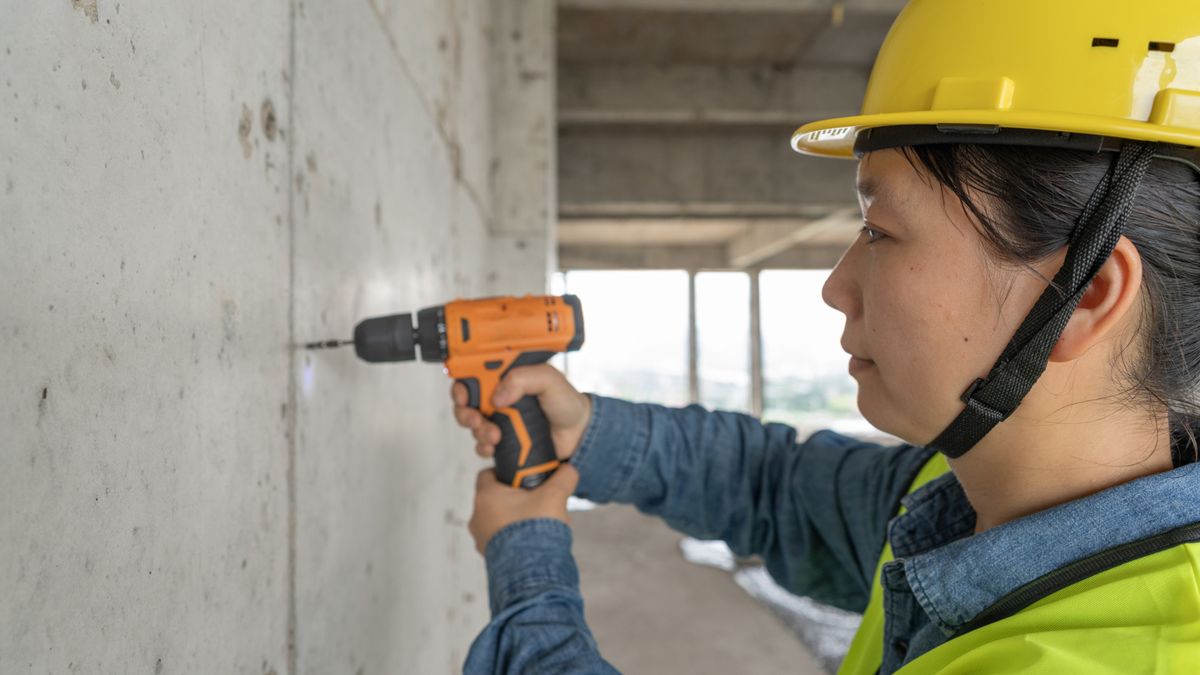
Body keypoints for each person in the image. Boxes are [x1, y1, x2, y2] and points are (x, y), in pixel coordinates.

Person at [451, 1, 1200, 672]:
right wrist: (589, 429)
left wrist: (528, 566)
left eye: (880, 229)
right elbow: (772, 485)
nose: (835, 285)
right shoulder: (958, 491)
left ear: (1085, 296)